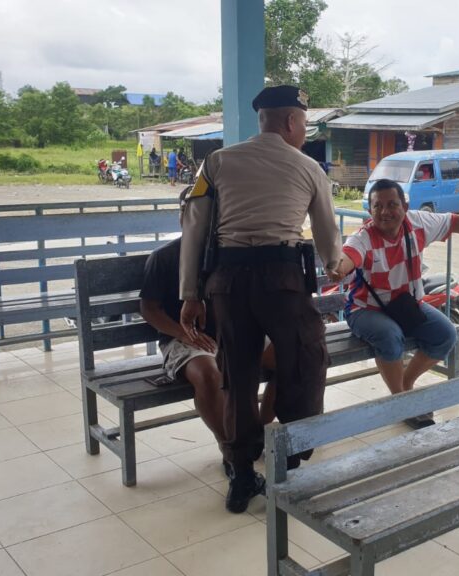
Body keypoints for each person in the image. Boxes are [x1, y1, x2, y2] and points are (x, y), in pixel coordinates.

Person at [178, 85, 341, 513]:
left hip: (227, 283)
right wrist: (336, 265)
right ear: (290, 121)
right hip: (281, 280)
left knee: (237, 375)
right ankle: (292, 452)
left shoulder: (216, 162)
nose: (304, 131)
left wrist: (189, 294)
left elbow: (193, 227)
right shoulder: (309, 168)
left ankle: (241, 472)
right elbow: (329, 239)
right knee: (306, 357)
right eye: (303, 123)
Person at [327, 179, 459, 428]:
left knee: (446, 334)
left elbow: (455, 222)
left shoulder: (418, 223)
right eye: (377, 206)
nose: (385, 212)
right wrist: (339, 268)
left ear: (405, 206)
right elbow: (349, 256)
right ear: (370, 210)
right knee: (390, 336)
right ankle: (401, 402)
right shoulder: (363, 237)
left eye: (392, 204)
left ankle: (406, 384)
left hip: (405, 305)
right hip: (364, 309)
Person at [139, 191, 277, 481]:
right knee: (209, 374)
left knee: (286, 357)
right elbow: (149, 309)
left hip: (232, 331)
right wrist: (184, 333)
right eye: (194, 215)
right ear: (182, 217)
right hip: (183, 340)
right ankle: (232, 450)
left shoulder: (228, 255)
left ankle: (258, 436)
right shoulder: (163, 258)